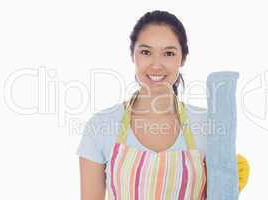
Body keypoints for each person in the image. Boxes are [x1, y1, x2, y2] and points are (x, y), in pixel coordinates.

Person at [77, 10, 249, 199]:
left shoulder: (209, 125)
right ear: (133, 56)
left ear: (182, 58)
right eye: (146, 52)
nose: (156, 65)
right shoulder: (101, 126)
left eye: (168, 53)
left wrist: (228, 185)